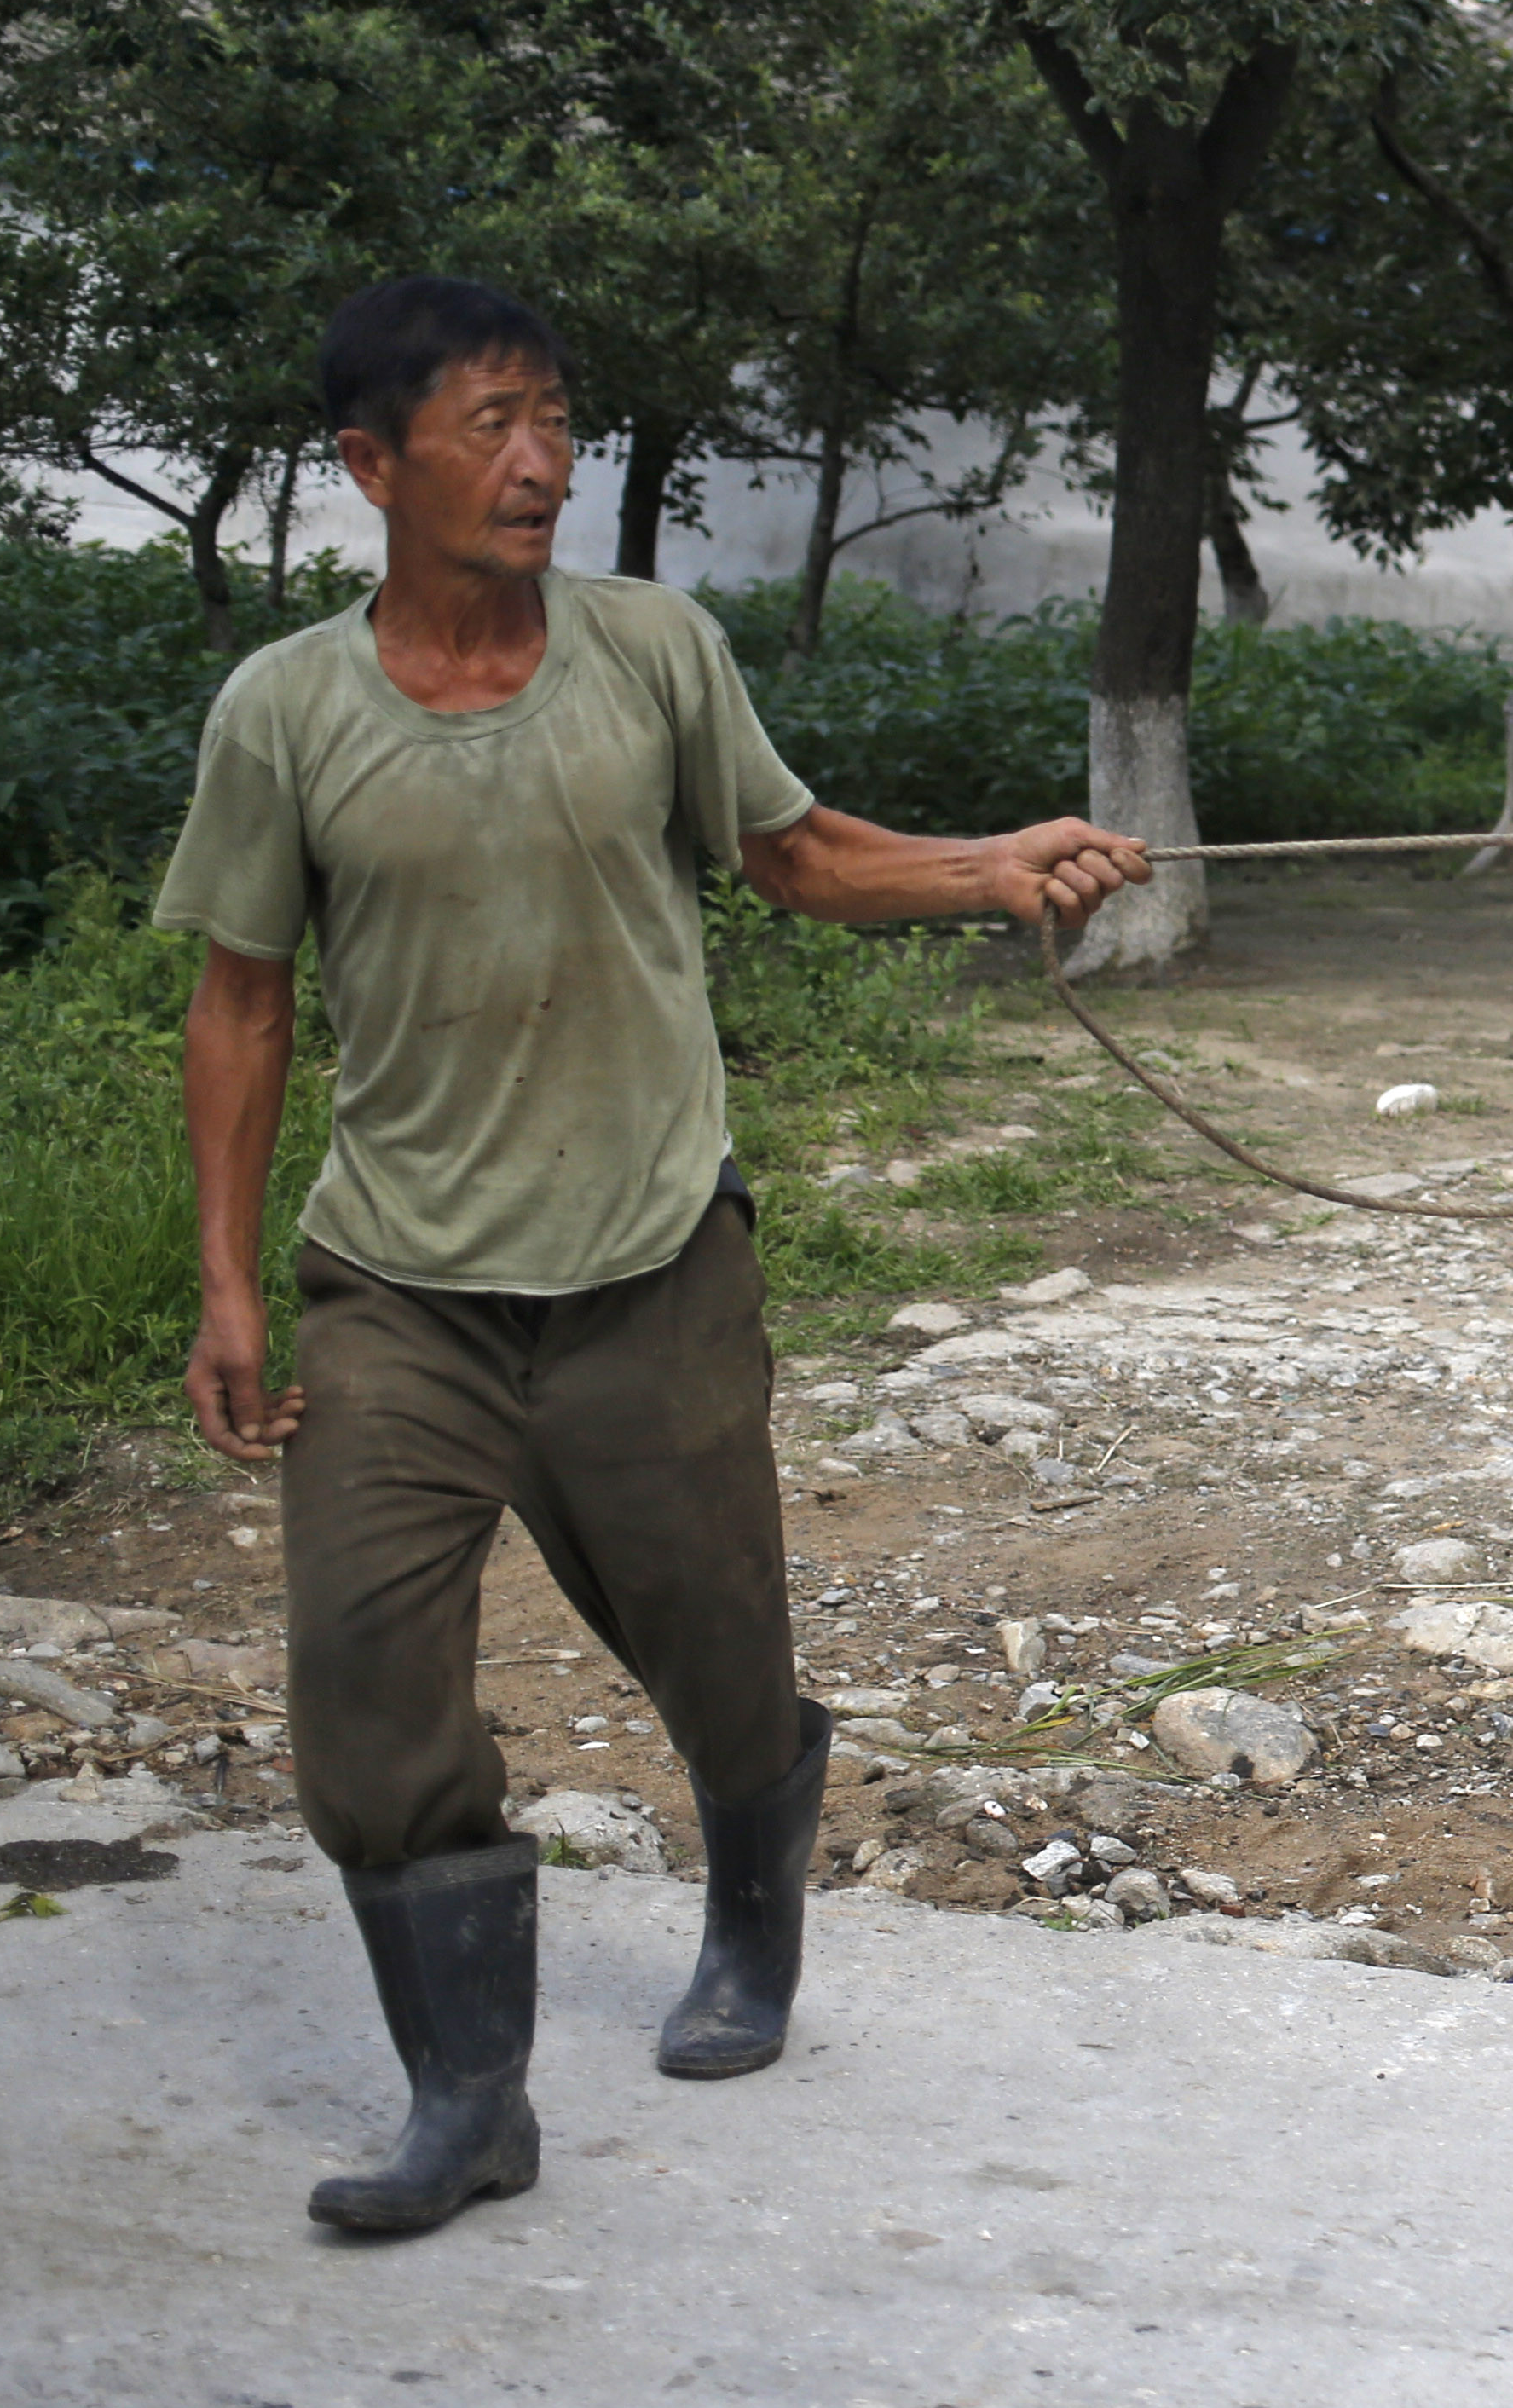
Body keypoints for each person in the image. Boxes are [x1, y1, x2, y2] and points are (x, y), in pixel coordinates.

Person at [157, 277, 1151, 2238]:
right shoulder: (284, 709)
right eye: (489, 426)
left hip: (649, 1269)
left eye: (556, 422)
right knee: (364, 1684)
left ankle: (752, 1908)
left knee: (716, 1651)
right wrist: (230, 1283)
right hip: (405, 1290)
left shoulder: (651, 649)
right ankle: (469, 2100)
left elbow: (792, 857)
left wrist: (988, 866)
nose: (538, 464)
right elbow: (240, 1001)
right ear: (371, 464)